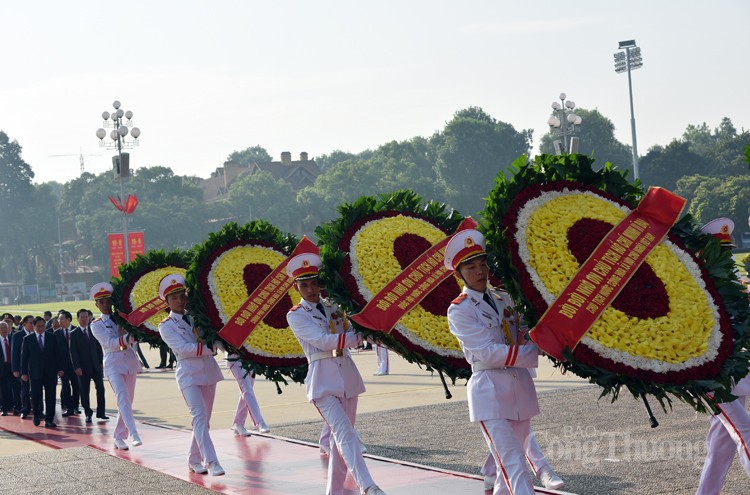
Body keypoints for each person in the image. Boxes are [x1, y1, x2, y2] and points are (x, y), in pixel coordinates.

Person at [445, 228, 563, 495]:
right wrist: (536, 352)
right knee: (515, 466)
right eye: (471, 267)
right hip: (489, 391)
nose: (480, 271)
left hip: (519, 388)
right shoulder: (460, 309)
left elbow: (520, 334)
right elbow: (487, 352)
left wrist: (548, 340)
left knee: (504, 474)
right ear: (459, 274)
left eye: (483, 264)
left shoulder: (504, 297)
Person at [285, 241, 386, 495]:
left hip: (347, 377)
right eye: (304, 285)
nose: (310, 289)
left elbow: (354, 328)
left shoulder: (334, 306)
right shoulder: (296, 314)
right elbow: (322, 340)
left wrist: (380, 333)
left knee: (341, 437)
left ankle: (333, 491)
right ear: (295, 286)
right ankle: (368, 486)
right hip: (323, 381)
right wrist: (358, 336)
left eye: (313, 283)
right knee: (345, 435)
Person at [696, 218, 750, 494]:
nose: (726, 258)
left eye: (727, 252)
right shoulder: (693, 287)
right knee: (745, 432)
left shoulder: (730, 283)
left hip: (733, 374)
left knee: (720, 446)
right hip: (710, 377)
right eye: (720, 253)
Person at [157, 273, 225, 476]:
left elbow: (213, 337)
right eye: (174, 298)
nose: (179, 301)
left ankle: (193, 459)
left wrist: (228, 346)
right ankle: (212, 461)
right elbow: (185, 348)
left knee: (204, 419)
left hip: (208, 371)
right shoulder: (166, 325)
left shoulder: (197, 317)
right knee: (199, 416)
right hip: (188, 374)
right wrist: (211, 348)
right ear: (167, 302)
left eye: (181, 296)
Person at [90, 282, 143, 450]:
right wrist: (126, 337)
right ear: (96, 305)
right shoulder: (96, 324)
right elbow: (110, 343)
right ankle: (134, 433)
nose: (106, 305)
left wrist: (133, 334)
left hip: (129, 360)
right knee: (123, 399)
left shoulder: (122, 318)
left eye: (108, 301)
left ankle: (119, 436)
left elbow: (135, 339)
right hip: (113, 363)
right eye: (102, 302)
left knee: (128, 401)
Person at [20, 316, 64, 427]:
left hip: (50, 372)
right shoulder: (28, 339)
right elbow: (24, 357)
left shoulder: (52, 337)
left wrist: (60, 368)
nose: (41, 328)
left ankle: (49, 419)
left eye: (43, 326)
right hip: (35, 373)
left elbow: (58, 354)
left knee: (50, 397)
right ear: (34, 326)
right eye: (38, 326)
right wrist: (23, 373)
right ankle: (36, 414)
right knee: (35, 396)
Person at [70, 308, 107, 423]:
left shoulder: (93, 330)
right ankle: (88, 413)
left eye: (87, 317)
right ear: (78, 318)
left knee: (100, 388)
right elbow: (73, 352)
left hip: (96, 366)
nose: (85, 319)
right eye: (82, 317)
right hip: (83, 368)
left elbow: (98, 348)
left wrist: (101, 362)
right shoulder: (74, 334)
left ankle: (101, 412)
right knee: (84, 392)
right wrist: (77, 367)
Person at [225, 352, 270, 436]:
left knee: (248, 390)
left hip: (250, 357)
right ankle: (260, 422)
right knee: (246, 389)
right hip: (234, 357)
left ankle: (239, 423)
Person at [55, 310, 80, 416]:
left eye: (62, 319)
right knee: (65, 387)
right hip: (62, 367)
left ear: (68, 319)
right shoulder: (56, 334)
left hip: (75, 365)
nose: (59, 321)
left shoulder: (77, 331)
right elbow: (54, 353)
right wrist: (58, 368)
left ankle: (75, 406)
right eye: (58, 319)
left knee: (76, 386)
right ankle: (69, 407)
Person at [10, 315, 34, 418]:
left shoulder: (36, 334)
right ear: (24, 324)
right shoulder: (18, 336)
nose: (33, 325)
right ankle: (25, 409)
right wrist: (15, 369)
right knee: (25, 389)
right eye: (31, 323)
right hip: (23, 368)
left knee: (36, 390)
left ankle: (37, 409)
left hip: (36, 368)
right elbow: (14, 353)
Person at [0, 321, 14, 415]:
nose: (4, 330)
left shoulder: (12, 338)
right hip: (2, 367)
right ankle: (4, 407)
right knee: (3, 388)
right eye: (1, 328)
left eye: (5, 327)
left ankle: (14, 406)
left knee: (14, 387)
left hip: (12, 366)